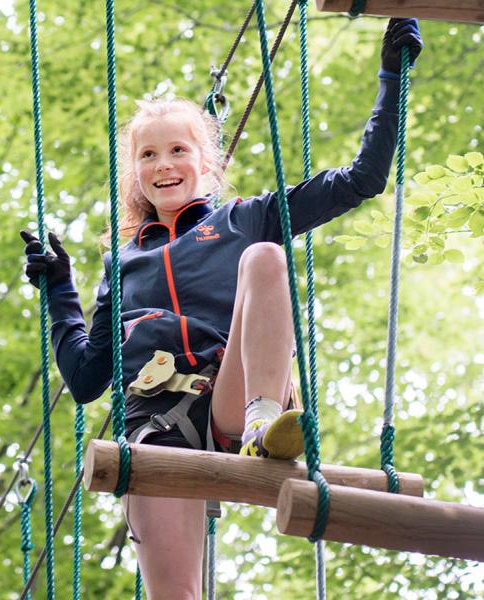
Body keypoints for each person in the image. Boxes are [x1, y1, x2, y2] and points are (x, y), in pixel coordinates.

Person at [21, 18, 422, 600]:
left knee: (265, 257)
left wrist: (391, 75)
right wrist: (60, 289)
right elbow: (86, 381)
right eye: (149, 154)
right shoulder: (123, 262)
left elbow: (363, 180)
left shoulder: (242, 218)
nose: (164, 164)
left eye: (179, 149)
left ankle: (264, 421)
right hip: (156, 425)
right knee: (174, 595)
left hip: (230, 398)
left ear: (205, 162)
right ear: (135, 172)